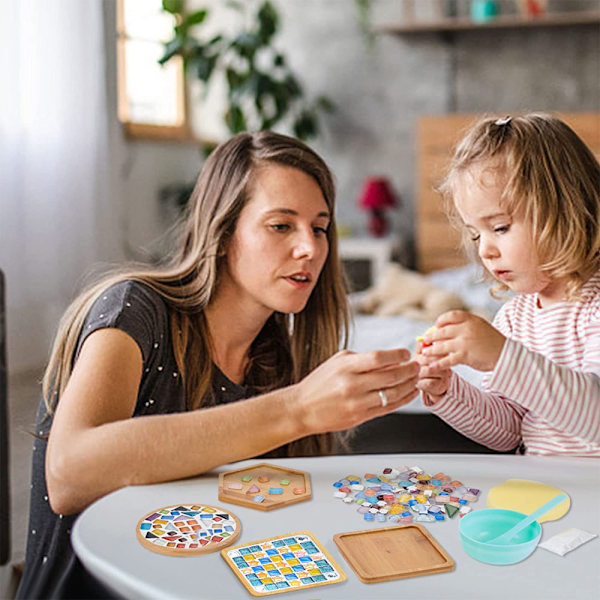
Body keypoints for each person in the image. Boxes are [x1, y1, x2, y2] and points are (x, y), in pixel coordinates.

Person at [17, 131, 419, 599]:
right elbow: (69, 473)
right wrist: (298, 410)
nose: (310, 248)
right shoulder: (134, 309)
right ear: (224, 235)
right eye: (281, 226)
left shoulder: (277, 361)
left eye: (320, 227)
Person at [415, 113, 600, 457]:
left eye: (499, 227)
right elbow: (509, 432)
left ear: (565, 210)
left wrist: (503, 357)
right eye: (475, 233)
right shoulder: (515, 319)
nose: (484, 249)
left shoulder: (593, 306)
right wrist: (448, 392)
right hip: (550, 493)